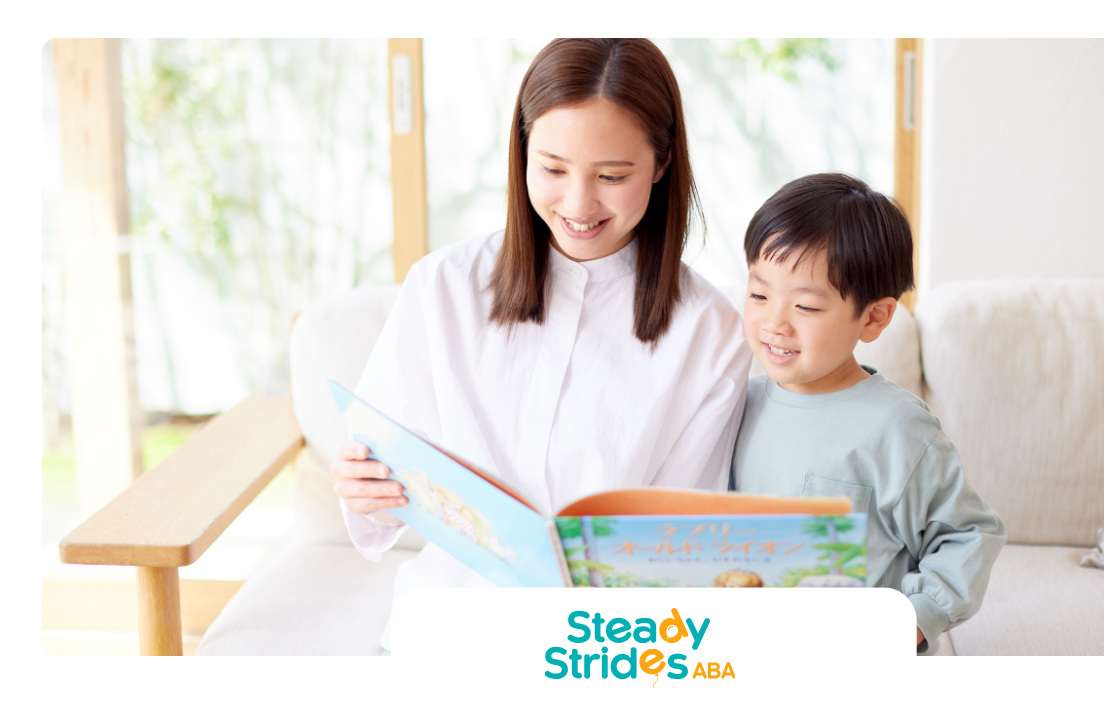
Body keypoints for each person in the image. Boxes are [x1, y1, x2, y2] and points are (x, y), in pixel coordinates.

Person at [330, 39, 752, 651]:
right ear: (522, 150)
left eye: (612, 175)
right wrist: (365, 490)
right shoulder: (442, 287)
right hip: (451, 633)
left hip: (607, 646)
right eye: (552, 169)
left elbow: (679, 537)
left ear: (661, 164)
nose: (578, 205)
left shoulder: (710, 332)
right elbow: (384, 482)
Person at [729, 173, 1006, 656]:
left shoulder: (896, 427)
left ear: (873, 318)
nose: (774, 322)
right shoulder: (737, 403)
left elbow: (969, 534)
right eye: (759, 295)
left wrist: (913, 620)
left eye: (806, 305)